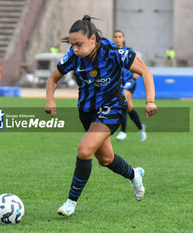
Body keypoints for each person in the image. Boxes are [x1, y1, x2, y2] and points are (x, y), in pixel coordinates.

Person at [45, 15, 157, 217]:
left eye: (79, 44)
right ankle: (134, 174)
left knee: (84, 150)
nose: (75, 49)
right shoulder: (73, 56)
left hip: (112, 108)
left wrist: (150, 101)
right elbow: (53, 79)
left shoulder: (114, 53)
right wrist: (50, 100)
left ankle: (71, 202)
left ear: (93, 40)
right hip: (87, 112)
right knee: (106, 159)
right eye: (72, 45)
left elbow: (145, 72)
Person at [113, 30, 147, 141]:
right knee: (129, 107)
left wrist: (137, 72)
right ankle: (141, 127)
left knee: (123, 99)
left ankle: (123, 132)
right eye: (116, 37)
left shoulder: (129, 51)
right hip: (118, 83)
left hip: (129, 81)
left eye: (120, 36)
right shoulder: (111, 52)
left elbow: (141, 64)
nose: (118, 39)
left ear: (123, 38)